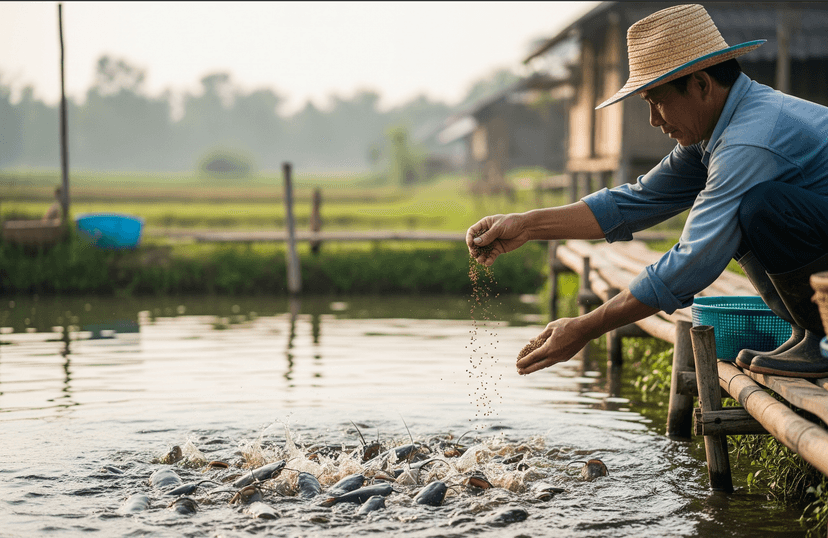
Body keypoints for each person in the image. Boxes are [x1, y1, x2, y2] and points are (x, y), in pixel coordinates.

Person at [467, 4, 828, 379]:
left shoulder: (748, 143)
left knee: (759, 207)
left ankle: (821, 338)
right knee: (747, 211)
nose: (655, 120)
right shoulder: (717, 133)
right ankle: (808, 331)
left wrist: (585, 327)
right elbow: (634, 202)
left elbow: (694, 258)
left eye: (657, 101)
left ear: (701, 85)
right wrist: (525, 226)